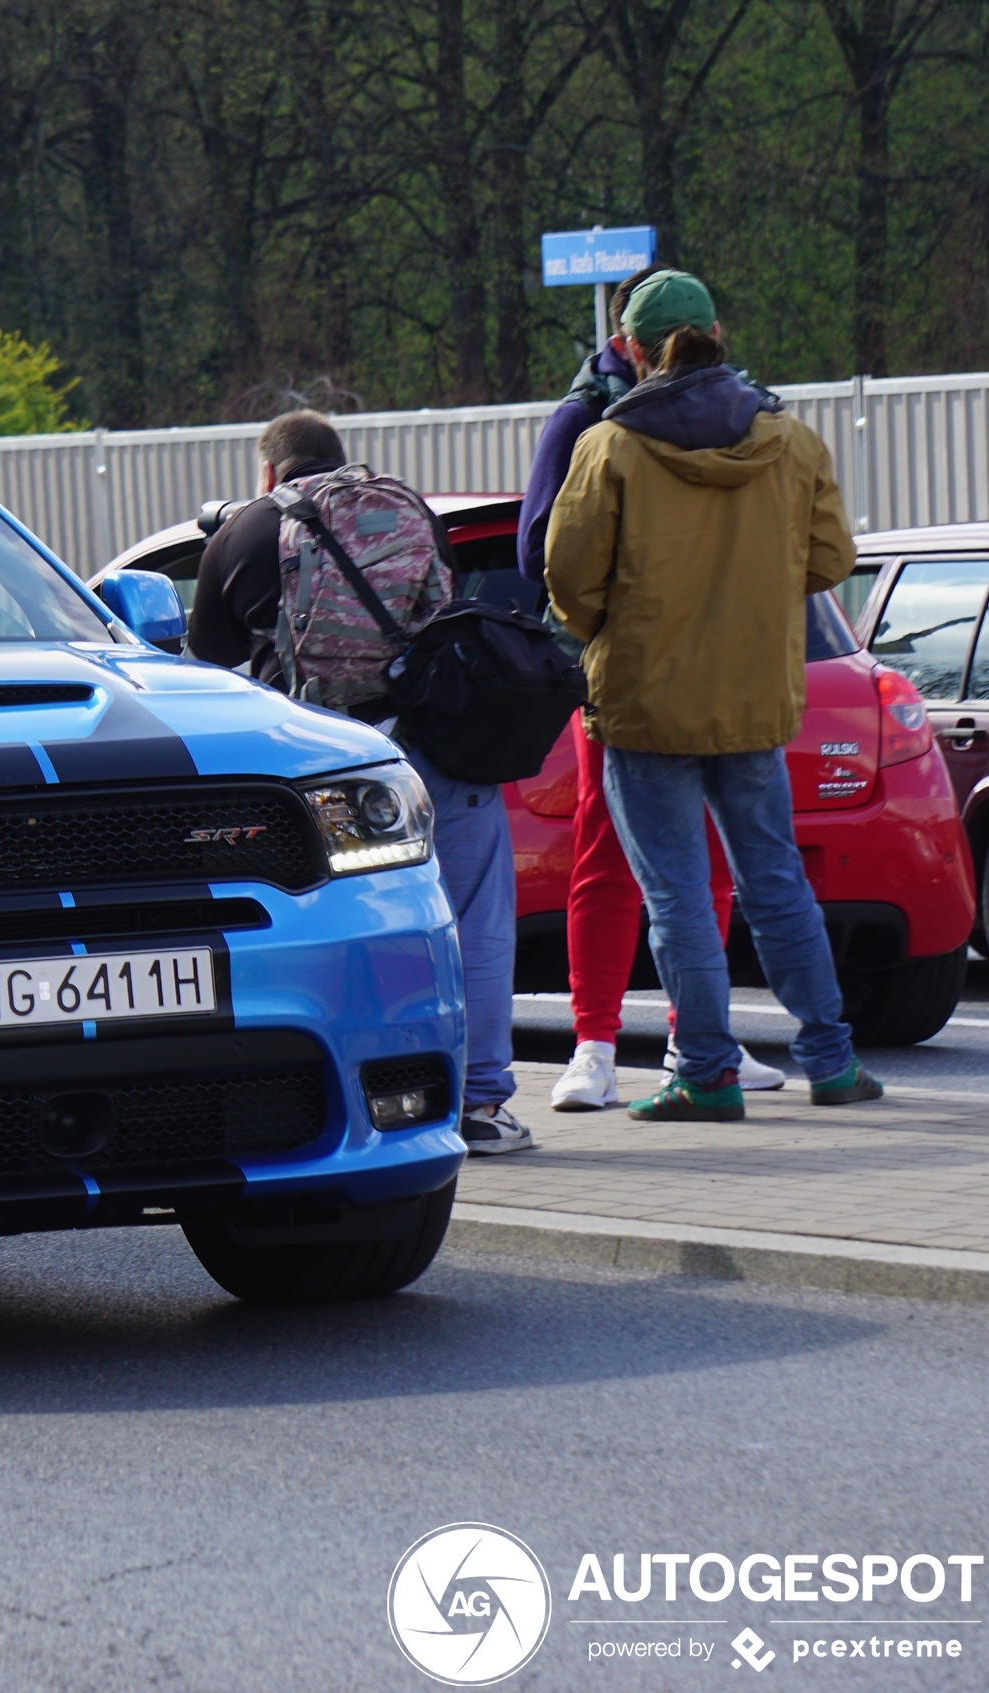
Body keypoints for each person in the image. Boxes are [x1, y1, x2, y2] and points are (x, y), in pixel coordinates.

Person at [545, 270, 882, 1121]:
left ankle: (705, 1070)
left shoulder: (611, 446)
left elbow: (566, 580)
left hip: (646, 704)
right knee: (775, 883)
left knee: (678, 898)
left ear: (631, 349)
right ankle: (832, 1061)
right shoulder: (791, 440)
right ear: (719, 333)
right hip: (753, 698)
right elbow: (832, 559)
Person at [192, 410, 531, 1155]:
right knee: (476, 921)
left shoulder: (244, 532)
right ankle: (483, 1104)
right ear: (344, 460)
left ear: (268, 472)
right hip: (437, 745)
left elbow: (209, 659)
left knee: (349, 930)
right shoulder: (405, 505)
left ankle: (382, 1106)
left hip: (329, 770)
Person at [517, 267, 781, 1109]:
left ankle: (684, 1038)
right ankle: (609, 1041)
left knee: (682, 854)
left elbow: (539, 556)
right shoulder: (605, 417)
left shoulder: (709, 416)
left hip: (676, 664)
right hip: (650, 672)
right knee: (630, 850)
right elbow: (540, 553)